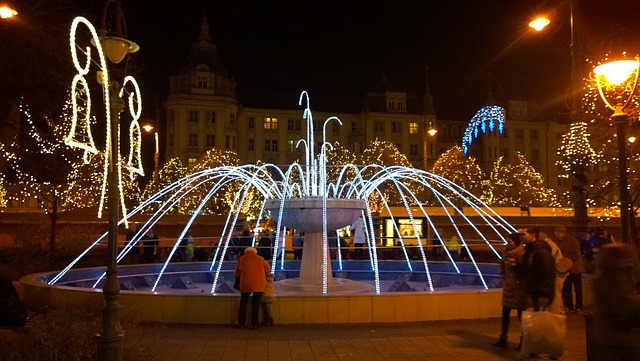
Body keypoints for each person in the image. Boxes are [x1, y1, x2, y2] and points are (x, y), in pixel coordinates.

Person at [592, 243, 640, 361]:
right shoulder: (615, 278)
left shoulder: (605, 275)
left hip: (609, 335)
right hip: (622, 335)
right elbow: (622, 305)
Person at [492, 232, 531, 350]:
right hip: (510, 286)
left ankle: (524, 340)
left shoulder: (522, 253)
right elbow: (502, 264)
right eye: (507, 241)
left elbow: (524, 271)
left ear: (517, 242)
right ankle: (503, 338)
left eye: (510, 241)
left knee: (521, 314)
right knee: (505, 313)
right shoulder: (506, 252)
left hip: (520, 287)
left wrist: (515, 265)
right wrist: (504, 275)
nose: (508, 244)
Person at [520, 226, 556, 311]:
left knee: (541, 318)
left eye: (523, 234)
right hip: (535, 291)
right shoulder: (530, 250)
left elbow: (548, 273)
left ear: (532, 236)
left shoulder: (541, 251)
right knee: (538, 318)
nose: (521, 237)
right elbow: (525, 270)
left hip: (541, 293)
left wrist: (544, 293)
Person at [234, 246, 270, 329]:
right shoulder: (260, 259)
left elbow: (236, 273)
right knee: (256, 303)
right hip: (259, 284)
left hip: (245, 284)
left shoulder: (241, 259)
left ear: (245, 252)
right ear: (255, 252)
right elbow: (268, 269)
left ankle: (241, 323)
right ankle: (254, 324)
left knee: (243, 303)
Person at [553, 225, 585, 313]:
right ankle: (569, 305)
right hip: (564, 268)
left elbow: (574, 254)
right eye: (556, 234)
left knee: (577, 288)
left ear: (564, 233)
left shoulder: (572, 241)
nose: (557, 235)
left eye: (558, 233)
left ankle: (579, 306)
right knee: (567, 288)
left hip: (575, 267)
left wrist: (564, 260)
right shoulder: (556, 242)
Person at [537, 230, 568, 315]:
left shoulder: (550, 246)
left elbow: (549, 260)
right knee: (557, 293)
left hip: (557, 273)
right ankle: (560, 311)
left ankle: (556, 313)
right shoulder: (552, 244)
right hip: (559, 272)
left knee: (556, 294)